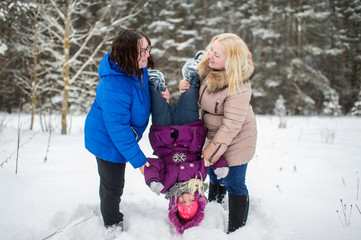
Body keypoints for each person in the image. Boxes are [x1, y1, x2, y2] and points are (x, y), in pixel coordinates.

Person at [141, 52, 229, 234]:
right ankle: (194, 76)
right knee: (190, 95)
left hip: (163, 134)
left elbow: (154, 164)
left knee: (155, 100)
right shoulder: (200, 177)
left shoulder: (166, 186)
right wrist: (221, 165)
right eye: (192, 202)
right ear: (198, 200)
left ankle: (154, 83)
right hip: (189, 130)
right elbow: (208, 155)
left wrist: (152, 181)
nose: (187, 198)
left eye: (183, 202)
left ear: (175, 203)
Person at [84, 29, 162, 230]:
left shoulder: (136, 67)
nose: (147, 54)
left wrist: (161, 95)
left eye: (147, 48)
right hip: (106, 140)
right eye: (141, 51)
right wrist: (141, 163)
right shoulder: (113, 85)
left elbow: (142, 93)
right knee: (113, 185)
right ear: (127, 54)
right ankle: (112, 225)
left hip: (122, 135)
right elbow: (118, 129)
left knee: (115, 182)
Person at [180, 33, 257, 233]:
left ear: (231, 61)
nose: (210, 56)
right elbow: (198, 98)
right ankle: (214, 212)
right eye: (211, 51)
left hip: (237, 137)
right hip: (213, 134)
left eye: (217, 54)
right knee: (214, 176)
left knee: (234, 182)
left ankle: (237, 231)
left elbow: (231, 125)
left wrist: (211, 151)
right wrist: (186, 89)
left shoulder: (238, 86)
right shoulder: (208, 70)